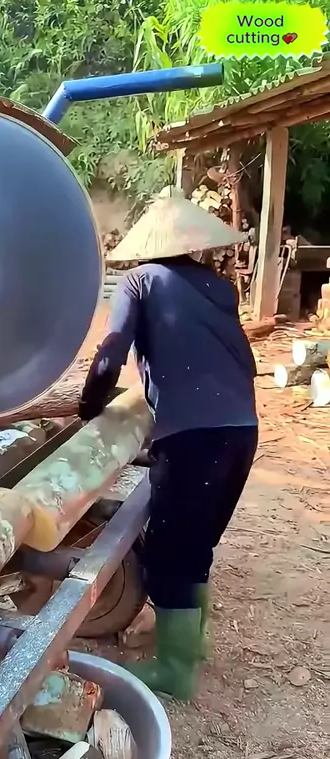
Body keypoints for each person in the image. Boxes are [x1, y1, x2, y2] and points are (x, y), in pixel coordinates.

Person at [78, 188, 258, 701]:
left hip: (193, 436)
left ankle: (177, 671)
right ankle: (191, 645)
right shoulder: (218, 288)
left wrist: (88, 407)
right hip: (242, 430)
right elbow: (240, 362)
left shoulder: (138, 281)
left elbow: (111, 352)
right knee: (196, 542)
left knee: (170, 549)